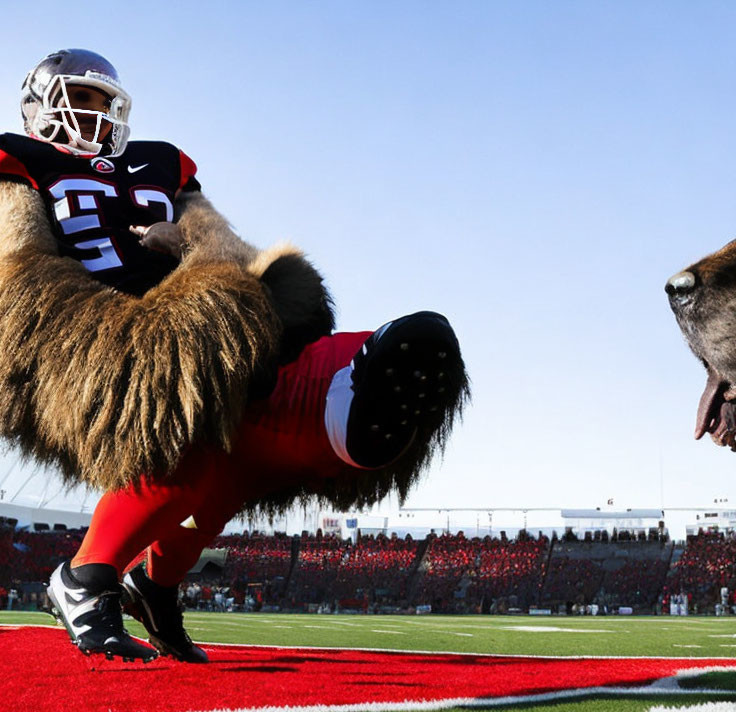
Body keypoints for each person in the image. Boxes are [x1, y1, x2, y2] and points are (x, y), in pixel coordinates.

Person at [0, 50, 466, 662]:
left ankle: (340, 398)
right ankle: (87, 577)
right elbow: (18, 263)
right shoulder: (20, 162)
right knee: (184, 423)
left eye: (101, 102)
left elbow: (221, 239)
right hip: (93, 327)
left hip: (192, 316)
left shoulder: (159, 164)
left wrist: (240, 275)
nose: (92, 113)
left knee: (244, 443)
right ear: (40, 103)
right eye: (79, 98)